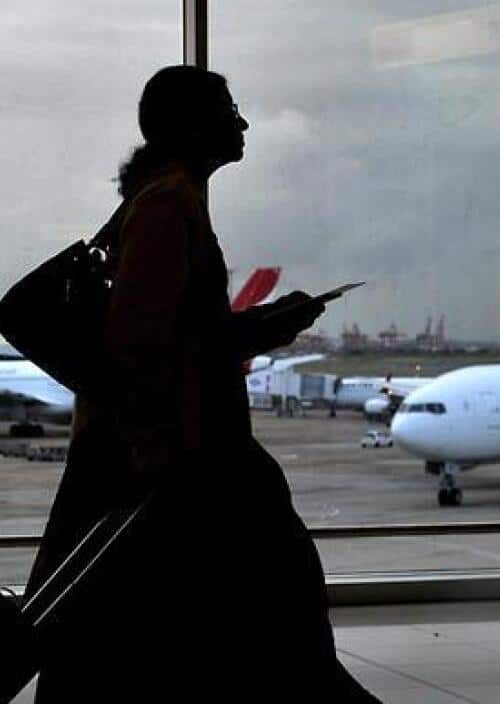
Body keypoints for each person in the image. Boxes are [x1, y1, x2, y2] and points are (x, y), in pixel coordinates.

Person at [26, 65, 378, 702]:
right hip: (187, 462)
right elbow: (145, 347)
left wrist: (258, 326)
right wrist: (256, 334)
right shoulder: (168, 206)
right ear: (192, 126)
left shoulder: (161, 199)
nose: (241, 122)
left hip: (180, 460)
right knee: (278, 615)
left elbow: (174, 336)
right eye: (229, 109)